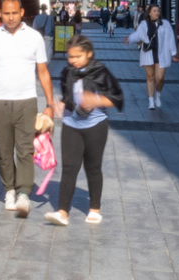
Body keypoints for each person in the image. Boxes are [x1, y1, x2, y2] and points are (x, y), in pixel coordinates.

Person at [0, 0, 56, 217]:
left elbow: (43, 72)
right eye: (6, 13)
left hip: (27, 102)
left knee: (25, 150)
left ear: (22, 13)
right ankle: (9, 189)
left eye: (14, 13)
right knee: (3, 150)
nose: (10, 17)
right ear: (0, 13)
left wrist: (49, 104)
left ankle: (24, 193)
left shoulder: (34, 38)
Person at [44, 34, 122, 226]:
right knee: (69, 168)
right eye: (70, 56)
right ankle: (62, 212)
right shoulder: (67, 72)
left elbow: (116, 98)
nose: (73, 60)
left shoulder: (100, 72)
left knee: (93, 167)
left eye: (77, 56)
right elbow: (68, 96)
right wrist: (61, 104)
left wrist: (95, 100)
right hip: (71, 125)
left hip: (95, 126)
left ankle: (94, 208)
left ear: (88, 54)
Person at [128, 5, 176, 109]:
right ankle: (151, 101)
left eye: (158, 10)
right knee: (150, 77)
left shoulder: (165, 24)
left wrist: (174, 53)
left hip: (161, 54)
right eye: (154, 11)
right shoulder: (144, 24)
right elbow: (138, 34)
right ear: (149, 13)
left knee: (160, 78)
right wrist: (129, 38)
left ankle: (158, 94)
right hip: (148, 53)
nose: (157, 12)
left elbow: (170, 38)